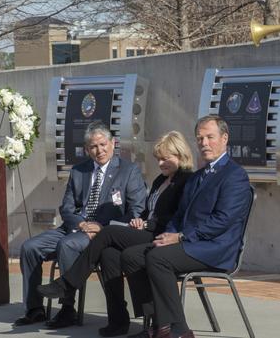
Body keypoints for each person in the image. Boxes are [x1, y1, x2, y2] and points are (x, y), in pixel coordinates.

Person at [37, 131, 194, 337]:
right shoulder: (160, 180)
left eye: (166, 158)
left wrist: (148, 223)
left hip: (164, 235)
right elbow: (148, 210)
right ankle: (118, 320)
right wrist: (139, 220)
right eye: (159, 159)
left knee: (108, 232)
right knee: (108, 254)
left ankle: (67, 283)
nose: (161, 163)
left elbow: (178, 217)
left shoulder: (187, 180)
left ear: (180, 155)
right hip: (146, 230)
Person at [121, 115, 252, 338]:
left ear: (224, 138)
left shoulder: (235, 176)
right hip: (190, 242)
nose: (204, 143)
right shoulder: (197, 177)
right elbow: (180, 214)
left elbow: (222, 220)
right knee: (131, 256)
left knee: (158, 258)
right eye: (200, 138)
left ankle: (179, 330)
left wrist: (180, 237)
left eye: (210, 137)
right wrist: (169, 234)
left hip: (215, 248)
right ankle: (157, 325)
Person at [14, 121, 147, 329]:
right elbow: (66, 207)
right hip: (75, 227)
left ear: (113, 143)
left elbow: (136, 210)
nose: (99, 150)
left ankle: (67, 309)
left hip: (103, 233)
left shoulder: (128, 171)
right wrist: (82, 223)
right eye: (93, 146)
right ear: (86, 149)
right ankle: (34, 309)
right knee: (29, 247)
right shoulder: (79, 171)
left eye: (103, 144)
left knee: (67, 245)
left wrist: (103, 228)